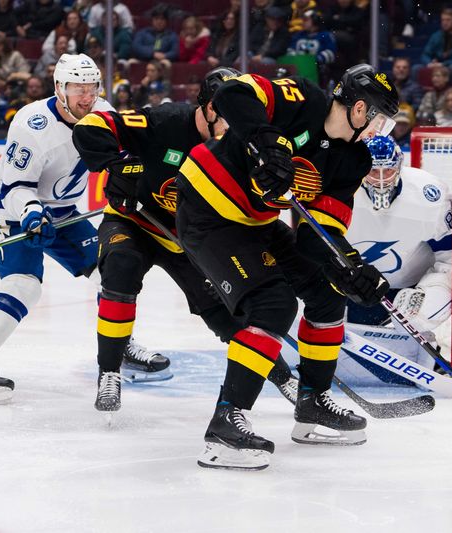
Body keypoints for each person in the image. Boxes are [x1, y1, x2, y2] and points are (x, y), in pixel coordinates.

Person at [175, 64, 398, 470]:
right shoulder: (301, 99)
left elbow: (319, 234)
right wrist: (267, 140)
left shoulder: (352, 161)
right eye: (380, 119)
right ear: (361, 108)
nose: (379, 131)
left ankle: (312, 404)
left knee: (328, 293)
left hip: (257, 222)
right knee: (273, 305)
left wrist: (350, 268)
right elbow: (229, 91)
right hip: (206, 208)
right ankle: (225, 423)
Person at [72, 67, 300, 413]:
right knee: (121, 266)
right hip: (134, 221)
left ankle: (283, 377)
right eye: (227, 116)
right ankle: (109, 372)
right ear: (209, 109)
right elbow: (92, 126)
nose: (234, 127)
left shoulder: (238, 146)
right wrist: (118, 163)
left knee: (226, 315)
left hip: (190, 239)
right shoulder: (164, 121)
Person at [0, 54, 159, 403]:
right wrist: (31, 214)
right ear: (59, 89)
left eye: (92, 88)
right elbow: (14, 187)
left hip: (62, 210)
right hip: (12, 208)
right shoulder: (32, 124)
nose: (87, 97)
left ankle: (118, 346)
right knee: (24, 285)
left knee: (113, 273)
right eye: (78, 89)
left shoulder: (103, 112)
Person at [339, 135, 452, 387]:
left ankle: (429, 357)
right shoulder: (341, 189)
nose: (380, 179)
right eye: (372, 171)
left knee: (415, 319)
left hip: (408, 287)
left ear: (399, 166)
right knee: (355, 354)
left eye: (388, 170)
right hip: (357, 286)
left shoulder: (428, 195)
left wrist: (431, 290)